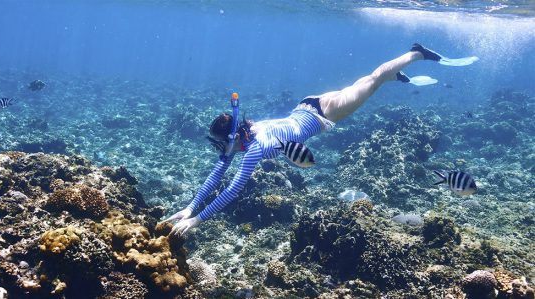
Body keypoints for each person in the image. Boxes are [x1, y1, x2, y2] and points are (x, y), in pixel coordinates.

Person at [166, 43, 478, 236]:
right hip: (306, 105)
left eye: (217, 143)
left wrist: (198, 220)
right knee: (364, 85)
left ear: (232, 136)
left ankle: (416, 53)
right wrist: (190, 208)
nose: (217, 150)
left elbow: (232, 190)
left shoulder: (254, 148)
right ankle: (391, 76)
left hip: (322, 114)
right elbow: (217, 174)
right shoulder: (244, 137)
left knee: (370, 80)